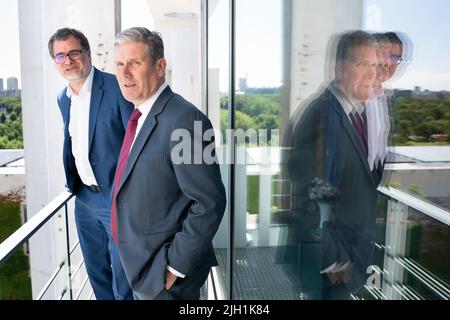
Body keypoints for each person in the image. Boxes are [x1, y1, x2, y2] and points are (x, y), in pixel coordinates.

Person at [111, 27, 226, 300]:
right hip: (140, 264)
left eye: (135, 63)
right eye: (119, 64)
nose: (124, 73)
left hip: (165, 275)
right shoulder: (139, 116)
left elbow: (209, 202)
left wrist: (175, 264)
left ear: (160, 66)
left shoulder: (185, 120)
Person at [279, 30, 380, 299]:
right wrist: (333, 260)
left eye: (374, 65)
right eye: (363, 64)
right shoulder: (321, 116)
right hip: (329, 266)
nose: (372, 74)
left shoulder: (355, 114)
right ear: (342, 67)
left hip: (348, 256)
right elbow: (307, 196)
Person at [48, 28, 133, 300]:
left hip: (117, 199)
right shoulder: (63, 98)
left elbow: (136, 145)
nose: (68, 61)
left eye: (73, 52)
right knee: (97, 274)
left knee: (123, 277)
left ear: (87, 53)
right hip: (84, 199)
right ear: (55, 63)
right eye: (60, 56)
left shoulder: (116, 87)